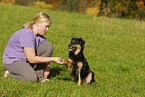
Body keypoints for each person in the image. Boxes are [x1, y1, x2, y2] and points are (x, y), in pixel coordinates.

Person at [3, 12, 66, 82]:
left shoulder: (41, 38)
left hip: (25, 60)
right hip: (13, 61)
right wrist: (52, 59)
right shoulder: (27, 35)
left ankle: (40, 77)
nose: (47, 29)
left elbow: (43, 53)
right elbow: (31, 59)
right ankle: (9, 74)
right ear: (38, 23)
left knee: (47, 46)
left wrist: (47, 66)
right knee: (31, 79)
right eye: (46, 26)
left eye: (48, 27)